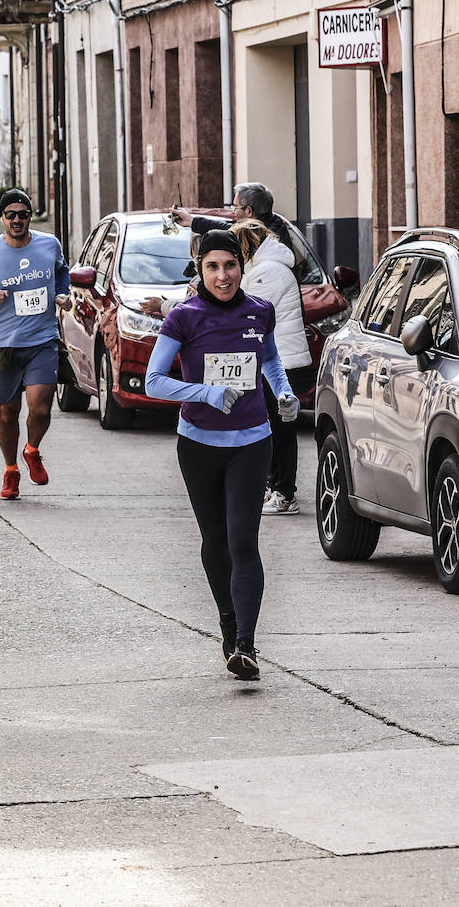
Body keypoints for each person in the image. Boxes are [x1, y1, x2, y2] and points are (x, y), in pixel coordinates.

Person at [144, 230, 300, 681]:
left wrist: (284, 392)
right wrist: (207, 393)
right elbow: (155, 381)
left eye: (229, 265)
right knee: (215, 542)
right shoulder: (185, 318)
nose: (223, 275)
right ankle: (229, 624)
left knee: (242, 542)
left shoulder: (260, 311)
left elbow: (268, 358)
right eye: (212, 267)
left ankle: (247, 645)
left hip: (252, 442)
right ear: (201, 270)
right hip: (198, 446)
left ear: (241, 266)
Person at [0, 188, 70, 501]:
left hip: (42, 339)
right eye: (11, 215)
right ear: (2, 218)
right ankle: (11, 470)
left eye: (23, 214)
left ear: (30, 216)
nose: (18, 219)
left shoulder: (49, 244)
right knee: (7, 413)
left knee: (41, 406)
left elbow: (61, 270)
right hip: (4, 346)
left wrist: (61, 293)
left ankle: (32, 450)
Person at [226, 218, 312, 516]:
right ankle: (275, 487)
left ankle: (285, 493)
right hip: (272, 361)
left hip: (283, 362)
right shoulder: (263, 267)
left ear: (246, 247)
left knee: (281, 430)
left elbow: (250, 312)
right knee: (272, 428)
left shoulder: (269, 271)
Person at [169, 181, 294, 247]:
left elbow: (232, 231)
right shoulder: (274, 222)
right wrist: (192, 222)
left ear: (249, 211)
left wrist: (192, 222)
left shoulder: (260, 236)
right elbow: (228, 228)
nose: (232, 211)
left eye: (235, 206)